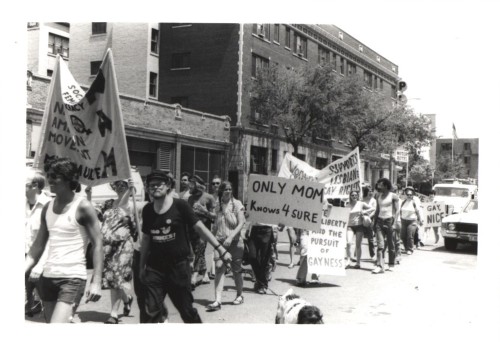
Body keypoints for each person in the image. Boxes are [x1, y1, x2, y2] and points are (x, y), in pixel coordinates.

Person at [139, 170, 232, 323]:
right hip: (155, 268)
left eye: (158, 184)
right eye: (151, 185)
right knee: (150, 312)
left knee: (186, 311)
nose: (155, 187)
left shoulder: (180, 206)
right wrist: (141, 266)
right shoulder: (148, 210)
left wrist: (220, 249)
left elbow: (201, 228)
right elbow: (147, 240)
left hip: (178, 268)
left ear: (168, 185)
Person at [24, 158, 103, 323]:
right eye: (49, 175)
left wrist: (96, 281)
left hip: (72, 278)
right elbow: (38, 245)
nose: (49, 180)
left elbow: (97, 244)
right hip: (48, 277)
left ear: (69, 179)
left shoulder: (83, 207)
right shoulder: (47, 207)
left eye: (55, 176)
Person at [90, 180, 137, 324]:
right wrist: (88, 195)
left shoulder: (133, 204)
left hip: (124, 246)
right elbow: (92, 214)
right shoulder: (108, 203)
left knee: (116, 276)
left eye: (122, 185)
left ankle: (114, 314)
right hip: (107, 246)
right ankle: (126, 299)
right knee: (113, 278)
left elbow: (137, 227)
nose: (119, 187)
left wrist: (130, 190)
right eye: (116, 185)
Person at [206, 181, 246, 311]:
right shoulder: (217, 205)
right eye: (225, 189)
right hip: (220, 242)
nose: (228, 191)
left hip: (235, 242)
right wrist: (212, 239)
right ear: (221, 191)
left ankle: (240, 295)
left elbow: (240, 223)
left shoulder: (237, 204)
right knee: (219, 268)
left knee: (236, 270)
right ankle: (217, 300)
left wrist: (230, 237)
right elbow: (216, 225)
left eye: (230, 189)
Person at [25, 169, 51, 317]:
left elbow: (51, 239)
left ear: (34, 185)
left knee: (48, 301)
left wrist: (40, 265)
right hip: (24, 259)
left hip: (41, 262)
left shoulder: (48, 205)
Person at [187, 175, 216, 288]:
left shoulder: (209, 197)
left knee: (198, 251)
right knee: (197, 252)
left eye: (191, 184)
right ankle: (204, 273)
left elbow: (214, 216)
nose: (189, 186)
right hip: (191, 229)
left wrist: (204, 211)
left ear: (198, 185)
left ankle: (194, 276)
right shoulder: (190, 198)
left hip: (204, 230)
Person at [371, 178, 400, 274]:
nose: (378, 186)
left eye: (380, 185)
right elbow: (377, 210)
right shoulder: (378, 195)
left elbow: (397, 211)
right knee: (380, 245)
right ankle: (379, 266)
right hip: (379, 221)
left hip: (389, 221)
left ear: (386, 186)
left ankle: (391, 264)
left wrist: (395, 223)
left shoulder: (393, 196)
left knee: (391, 244)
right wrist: (374, 223)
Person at [347, 190, 375, 269]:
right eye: (352, 195)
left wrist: (365, 211)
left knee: (358, 245)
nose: (354, 196)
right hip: (350, 226)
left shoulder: (361, 203)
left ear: (358, 196)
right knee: (348, 243)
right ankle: (348, 260)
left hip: (359, 226)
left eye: (356, 195)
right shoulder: (347, 205)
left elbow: (373, 208)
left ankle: (358, 263)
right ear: (350, 196)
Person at [245, 220, 274, 294]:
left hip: (267, 229)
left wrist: (279, 227)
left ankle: (262, 284)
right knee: (252, 256)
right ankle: (261, 281)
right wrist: (247, 229)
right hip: (254, 229)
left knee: (264, 260)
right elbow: (251, 214)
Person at [400, 186, 423, 255]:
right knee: (403, 236)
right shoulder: (403, 202)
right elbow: (399, 211)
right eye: (408, 195)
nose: (409, 196)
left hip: (412, 221)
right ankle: (406, 247)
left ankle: (410, 249)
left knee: (410, 235)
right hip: (403, 221)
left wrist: (420, 220)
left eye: (411, 195)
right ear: (405, 194)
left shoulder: (415, 202)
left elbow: (418, 211)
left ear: (412, 194)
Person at [361, 186, 377, 259]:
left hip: (370, 220)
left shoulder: (374, 200)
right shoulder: (362, 200)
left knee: (370, 238)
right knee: (359, 237)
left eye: (372, 191)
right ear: (366, 192)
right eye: (369, 191)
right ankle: (356, 254)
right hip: (361, 219)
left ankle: (372, 254)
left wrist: (369, 217)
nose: (371, 192)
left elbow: (374, 211)